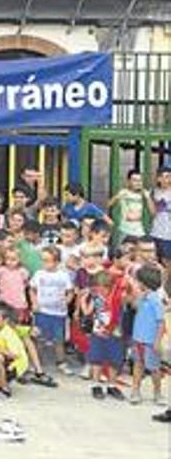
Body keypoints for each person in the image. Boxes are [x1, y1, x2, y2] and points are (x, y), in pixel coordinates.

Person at [76, 245, 126, 401]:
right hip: (98, 332)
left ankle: (111, 385)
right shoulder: (96, 298)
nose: (100, 292)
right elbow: (87, 312)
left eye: (103, 289)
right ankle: (96, 385)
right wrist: (83, 299)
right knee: (96, 359)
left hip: (115, 332)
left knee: (114, 360)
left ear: (110, 287)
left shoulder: (118, 298)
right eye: (97, 289)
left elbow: (127, 290)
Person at [29, 246, 75, 376]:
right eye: (43, 260)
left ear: (57, 262)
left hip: (58, 313)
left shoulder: (63, 275)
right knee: (38, 337)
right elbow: (32, 289)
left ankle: (61, 362)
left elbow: (70, 291)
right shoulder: (39, 274)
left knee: (58, 339)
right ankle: (36, 361)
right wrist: (34, 303)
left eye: (48, 260)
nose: (45, 264)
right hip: (42, 311)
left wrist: (67, 300)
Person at [129, 265, 166, 405]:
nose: (137, 283)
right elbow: (134, 306)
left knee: (154, 369)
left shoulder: (156, 300)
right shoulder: (143, 297)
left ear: (144, 282)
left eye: (138, 281)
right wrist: (139, 296)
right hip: (137, 338)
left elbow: (161, 322)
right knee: (137, 365)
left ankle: (158, 393)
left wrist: (157, 341)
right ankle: (135, 391)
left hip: (150, 341)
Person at [107, 169, 150, 244]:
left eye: (140, 180)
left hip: (140, 231)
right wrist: (117, 197)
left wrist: (148, 198)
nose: (138, 183)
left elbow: (153, 212)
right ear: (129, 181)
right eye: (135, 180)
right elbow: (109, 204)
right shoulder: (123, 192)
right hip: (125, 230)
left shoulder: (145, 194)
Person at [150, 166, 171, 269]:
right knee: (155, 259)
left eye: (168, 177)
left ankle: (167, 284)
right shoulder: (154, 192)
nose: (165, 180)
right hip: (155, 231)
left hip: (168, 233)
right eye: (162, 177)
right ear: (158, 178)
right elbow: (152, 212)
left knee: (166, 261)